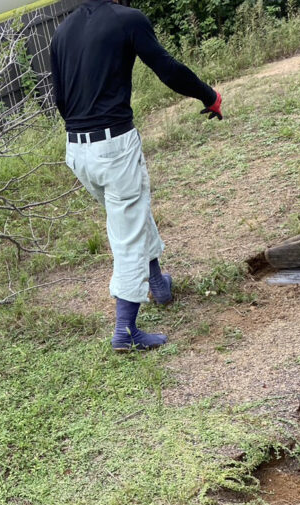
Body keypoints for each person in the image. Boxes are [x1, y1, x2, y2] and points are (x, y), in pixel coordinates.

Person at [49, 0, 223, 351]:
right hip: (113, 145)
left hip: (77, 151)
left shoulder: (62, 31)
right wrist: (209, 95)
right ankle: (125, 331)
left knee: (130, 212)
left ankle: (158, 283)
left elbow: (58, 97)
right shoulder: (128, 19)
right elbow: (168, 69)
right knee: (127, 233)